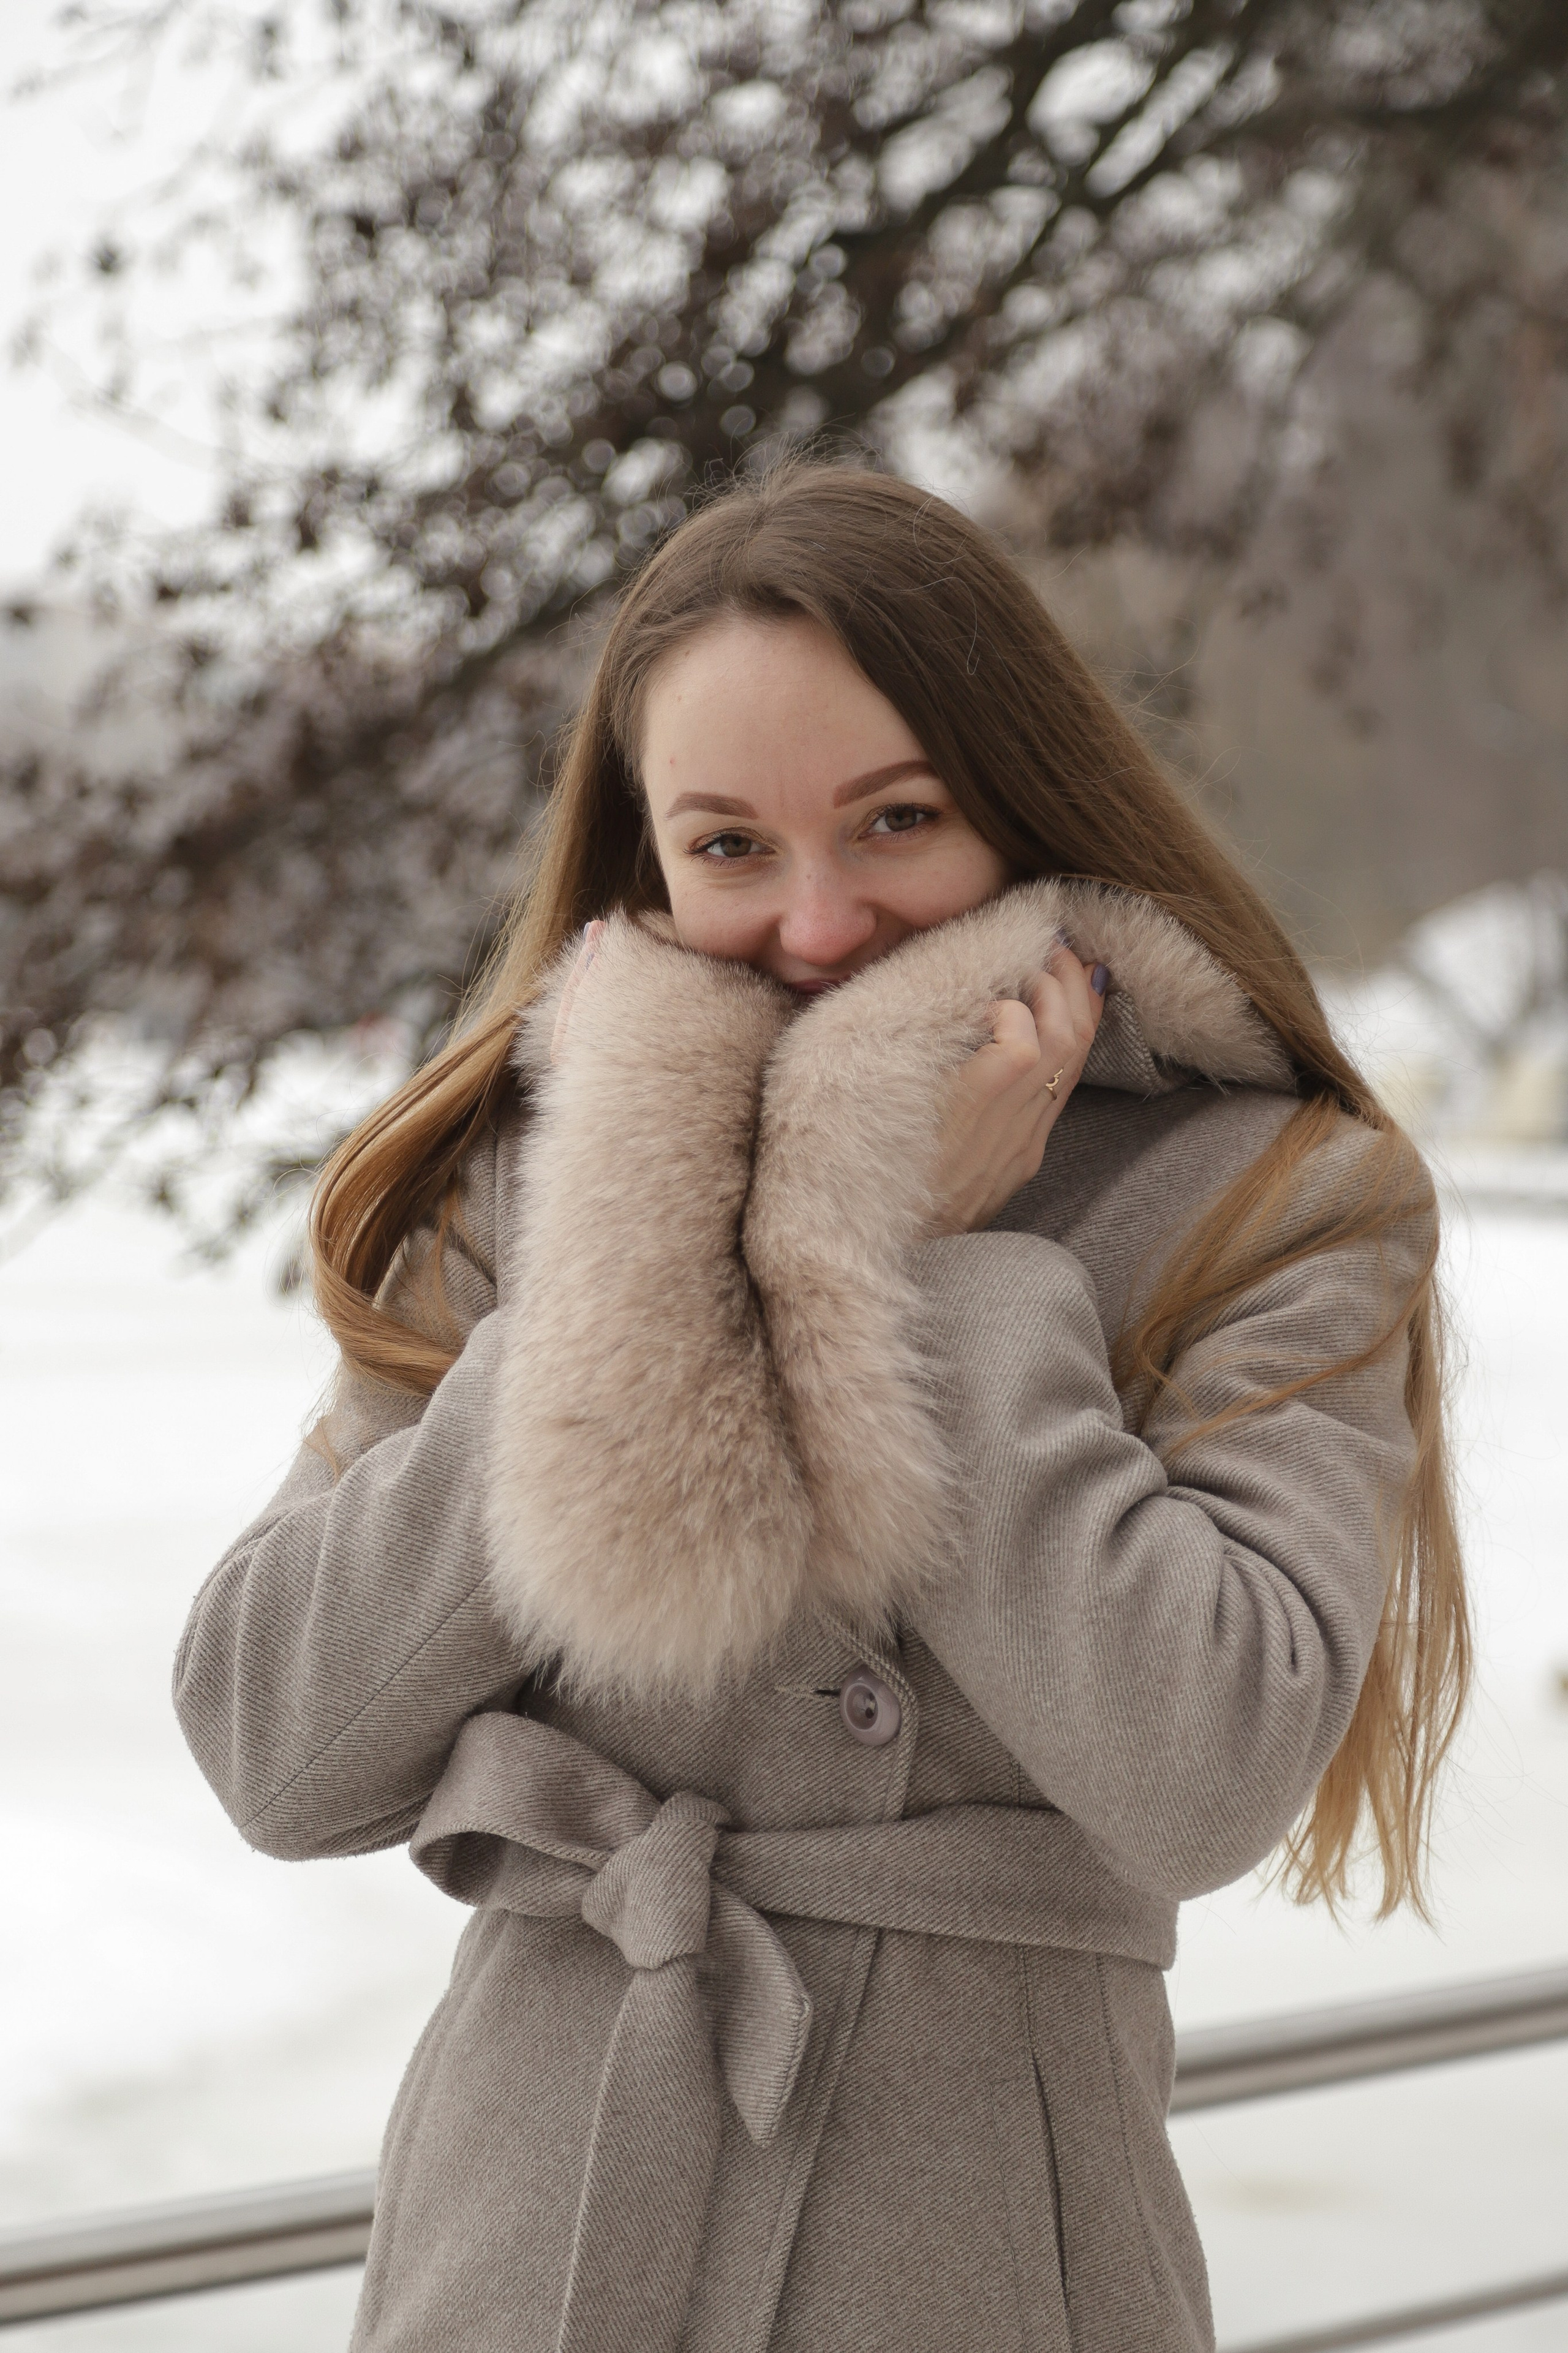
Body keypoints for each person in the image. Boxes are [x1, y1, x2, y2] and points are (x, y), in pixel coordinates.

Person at [175, 463, 1469, 2353]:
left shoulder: (1274, 1187)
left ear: (1017, 790)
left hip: (982, 2255)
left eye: (897, 819)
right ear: (646, 858)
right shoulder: (541, 1178)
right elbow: (276, 1745)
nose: (820, 919)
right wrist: (628, 1262)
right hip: (533, 2235)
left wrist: (918, 1264)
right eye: (731, 846)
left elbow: (1205, 1766)